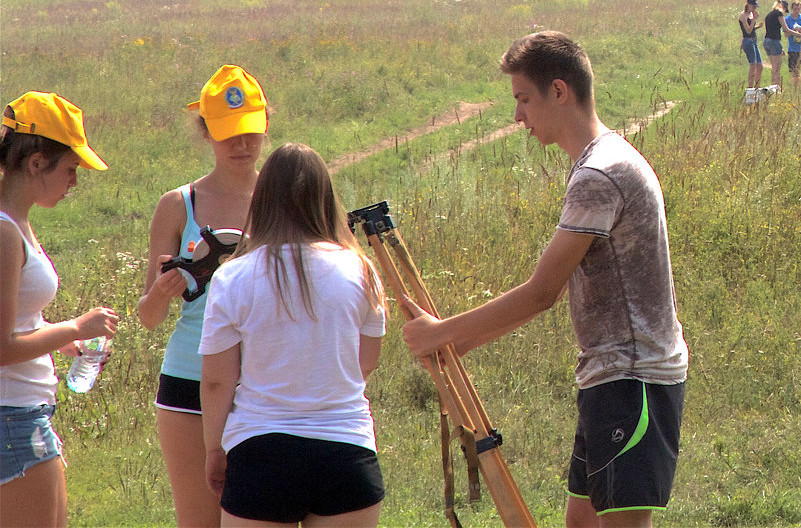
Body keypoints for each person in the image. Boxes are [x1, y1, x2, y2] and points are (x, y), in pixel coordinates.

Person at [402, 31, 688, 528]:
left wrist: (443, 333)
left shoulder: (601, 173)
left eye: (523, 99)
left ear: (559, 91)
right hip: (607, 377)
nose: (517, 117)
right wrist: (460, 343)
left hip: (632, 381)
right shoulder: (601, 161)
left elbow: (541, 293)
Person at [199, 143, 388, 527]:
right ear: (326, 198)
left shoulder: (232, 277)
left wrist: (213, 448)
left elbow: (218, 381)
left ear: (262, 200)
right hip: (346, 449)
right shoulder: (362, 270)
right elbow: (364, 363)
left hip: (260, 451)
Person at [137, 65, 268, 528]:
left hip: (265, 381)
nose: (243, 145)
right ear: (207, 132)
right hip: (189, 379)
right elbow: (148, 316)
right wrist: (163, 290)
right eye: (230, 134)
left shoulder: (281, 198)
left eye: (251, 131)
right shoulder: (178, 204)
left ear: (265, 123)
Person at [1, 92, 119, 528]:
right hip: (12, 418)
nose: (74, 182)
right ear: (35, 164)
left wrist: (64, 342)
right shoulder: (5, 232)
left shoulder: (16, 222)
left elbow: (19, 324)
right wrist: (74, 327)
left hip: (23, 413)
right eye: (70, 169)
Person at [782, 1, 801, 90]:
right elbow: (786, 34)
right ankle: (795, 88)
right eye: (794, 9)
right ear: (792, 9)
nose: (796, 11)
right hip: (793, 48)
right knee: (794, 70)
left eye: (798, 9)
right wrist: (793, 30)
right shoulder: (787, 19)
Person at [738, 0, 763, 89]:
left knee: (760, 66)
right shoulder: (743, 15)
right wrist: (754, 20)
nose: (755, 9)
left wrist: (757, 26)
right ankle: (750, 88)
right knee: (753, 65)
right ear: (748, 5)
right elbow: (747, 30)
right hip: (748, 41)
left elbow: (751, 28)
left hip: (754, 40)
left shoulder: (751, 15)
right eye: (753, 6)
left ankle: (757, 87)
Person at [762, 0, 788, 90]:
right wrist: (800, 35)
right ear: (783, 8)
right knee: (777, 69)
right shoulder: (779, 14)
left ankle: (772, 87)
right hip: (774, 41)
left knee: (774, 67)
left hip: (767, 41)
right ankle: (776, 89)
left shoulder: (769, 15)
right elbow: (786, 28)